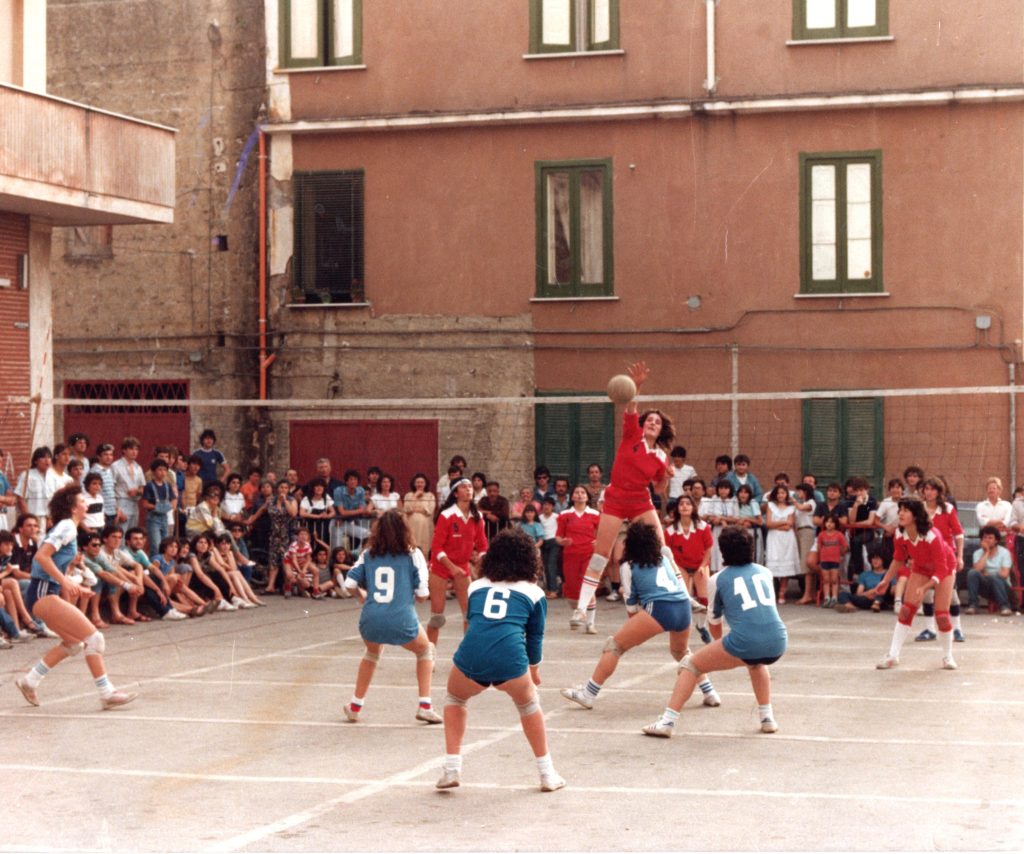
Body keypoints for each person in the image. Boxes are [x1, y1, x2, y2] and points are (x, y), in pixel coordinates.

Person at [436, 528, 564, 792]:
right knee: (529, 706)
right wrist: (534, 671)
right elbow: (534, 637)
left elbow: (473, 623)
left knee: (455, 699)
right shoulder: (534, 592)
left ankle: (451, 768)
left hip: (472, 654)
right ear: (530, 559)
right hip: (510, 658)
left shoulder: (476, 587)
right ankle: (547, 773)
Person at [643, 525, 787, 738]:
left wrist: (719, 645)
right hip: (778, 640)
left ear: (723, 551)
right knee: (756, 663)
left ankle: (667, 722)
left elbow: (714, 621)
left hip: (746, 641)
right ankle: (767, 718)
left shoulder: (718, 579)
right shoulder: (765, 572)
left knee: (690, 665)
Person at [561, 521, 720, 712]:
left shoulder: (628, 566)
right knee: (681, 652)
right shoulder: (665, 557)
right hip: (683, 606)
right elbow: (678, 585)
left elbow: (630, 604)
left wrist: (635, 627)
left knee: (614, 646)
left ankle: (588, 694)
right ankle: (709, 692)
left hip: (659, 607)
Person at [14, 486, 137, 709]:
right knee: (95, 639)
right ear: (73, 507)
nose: (87, 504)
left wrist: (74, 586)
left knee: (73, 644)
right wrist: (65, 581)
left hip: (45, 592)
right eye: (82, 501)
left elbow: (52, 562)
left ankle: (29, 681)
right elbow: (42, 557)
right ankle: (106, 692)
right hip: (42, 592)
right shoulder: (67, 526)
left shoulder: (68, 527)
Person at [571, 361, 673, 628]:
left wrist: (666, 477)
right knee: (600, 555)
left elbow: (659, 489)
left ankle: (680, 594)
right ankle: (581, 609)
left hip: (640, 499)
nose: (652, 422)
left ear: (661, 430)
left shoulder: (662, 456)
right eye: (649, 420)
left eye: (657, 422)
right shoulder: (632, 435)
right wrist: (635, 386)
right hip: (616, 498)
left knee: (662, 548)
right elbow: (630, 407)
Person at [341, 510, 442, 724]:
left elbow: (349, 584)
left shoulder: (368, 554)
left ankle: (355, 705)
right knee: (425, 650)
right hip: (401, 618)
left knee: (371, 654)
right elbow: (423, 595)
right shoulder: (413, 554)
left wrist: (362, 598)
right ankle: (425, 705)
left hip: (370, 619)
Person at [871, 499, 958, 670]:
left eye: (906, 510)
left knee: (941, 615)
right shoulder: (898, 533)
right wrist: (886, 580)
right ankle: (893, 656)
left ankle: (948, 656)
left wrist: (925, 588)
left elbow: (941, 569)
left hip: (945, 568)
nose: (900, 514)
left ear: (916, 515)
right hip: (920, 567)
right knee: (905, 611)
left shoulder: (933, 536)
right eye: (900, 510)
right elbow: (898, 559)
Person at [426, 479, 488, 647]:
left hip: (462, 567)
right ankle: (428, 654)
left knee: (470, 614)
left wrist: (481, 560)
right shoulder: (446, 515)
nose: (468, 489)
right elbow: (437, 549)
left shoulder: (477, 517)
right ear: (455, 493)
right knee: (437, 617)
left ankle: (468, 654)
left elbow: (483, 545)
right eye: (463, 487)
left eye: (470, 487)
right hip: (440, 567)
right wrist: (451, 567)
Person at [663, 495, 713, 644]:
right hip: (680, 565)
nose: (684, 506)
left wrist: (703, 566)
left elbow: (709, 548)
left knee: (704, 599)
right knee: (683, 598)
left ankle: (701, 626)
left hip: (700, 564)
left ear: (693, 507)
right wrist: (674, 570)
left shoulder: (703, 526)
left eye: (688, 504)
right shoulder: (670, 530)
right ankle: (682, 628)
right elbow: (666, 553)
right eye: (681, 504)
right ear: (677, 508)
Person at [555, 486, 601, 634]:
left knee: (589, 585)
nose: (580, 495)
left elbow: (602, 533)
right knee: (573, 588)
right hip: (570, 554)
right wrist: (562, 542)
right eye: (577, 493)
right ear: (572, 497)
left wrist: (598, 542)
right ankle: (579, 611)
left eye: (582, 493)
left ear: (587, 497)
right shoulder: (564, 515)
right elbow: (558, 536)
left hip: (589, 554)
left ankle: (590, 623)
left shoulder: (595, 514)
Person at [967, 526, 1014, 615]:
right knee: (972, 573)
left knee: (995, 578)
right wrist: (986, 552)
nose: (987, 540)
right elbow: (976, 570)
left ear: (996, 540)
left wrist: (987, 573)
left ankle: (1005, 607)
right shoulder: (977, 553)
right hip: (986, 587)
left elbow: (1004, 574)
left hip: (1002, 587)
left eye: (990, 538)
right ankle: (973, 605)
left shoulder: (1004, 553)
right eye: (985, 537)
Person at [764, 484, 799, 603]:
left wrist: (777, 524)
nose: (780, 495)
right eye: (778, 493)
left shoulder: (791, 508)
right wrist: (783, 523)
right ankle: (771, 593)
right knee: (772, 566)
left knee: (786, 568)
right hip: (773, 538)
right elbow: (768, 523)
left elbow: (790, 525)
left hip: (787, 539)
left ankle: (782, 593)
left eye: (783, 493)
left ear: (787, 495)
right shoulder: (770, 506)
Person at [15, 447, 58, 532]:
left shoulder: (53, 477)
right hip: (32, 517)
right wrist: (29, 518)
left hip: (48, 519)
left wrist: (50, 518)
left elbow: (54, 500)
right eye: (43, 457)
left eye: (49, 457)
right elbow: (20, 498)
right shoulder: (27, 475)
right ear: (35, 461)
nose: (47, 460)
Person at [141, 459, 176, 557]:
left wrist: (170, 507)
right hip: (153, 519)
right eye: (159, 470)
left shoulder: (168, 485)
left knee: (166, 545)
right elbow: (144, 503)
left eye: (165, 470)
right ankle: (154, 568)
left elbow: (173, 499)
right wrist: (156, 506)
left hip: (165, 518)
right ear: (153, 471)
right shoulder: (149, 486)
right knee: (156, 546)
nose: (162, 472)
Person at [110, 437, 146, 532]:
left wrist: (138, 491)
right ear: (124, 450)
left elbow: (142, 487)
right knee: (120, 534)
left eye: (136, 449)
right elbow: (110, 489)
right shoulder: (115, 466)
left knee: (132, 535)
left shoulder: (138, 467)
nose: (134, 452)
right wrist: (117, 510)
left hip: (134, 504)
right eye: (131, 449)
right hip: (120, 502)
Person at [815, 514, 848, 608]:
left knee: (834, 580)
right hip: (824, 559)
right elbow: (819, 547)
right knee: (826, 580)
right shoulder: (821, 535)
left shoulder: (839, 535)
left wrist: (841, 554)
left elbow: (845, 546)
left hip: (835, 560)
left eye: (832, 522)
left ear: (835, 524)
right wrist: (819, 557)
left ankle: (834, 597)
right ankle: (826, 597)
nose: (829, 524)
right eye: (827, 522)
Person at [402, 473, 436, 557]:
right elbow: (407, 509)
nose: (419, 484)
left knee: (425, 550)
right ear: (414, 483)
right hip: (411, 526)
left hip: (425, 528)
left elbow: (429, 510)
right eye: (417, 482)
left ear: (425, 484)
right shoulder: (408, 495)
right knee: (411, 548)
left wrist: (415, 509)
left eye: (422, 482)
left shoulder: (430, 495)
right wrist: (415, 496)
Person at [538, 496, 561, 598]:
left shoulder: (557, 517)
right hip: (544, 542)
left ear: (553, 507)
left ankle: (554, 590)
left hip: (554, 541)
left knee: (551, 565)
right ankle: (549, 588)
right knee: (546, 566)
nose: (546, 507)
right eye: (544, 505)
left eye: (549, 505)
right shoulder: (540, 518)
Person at [300, 477, 335, 545]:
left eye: (321, 486)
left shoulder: (326, 497)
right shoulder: (306, 499)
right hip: (309, 528)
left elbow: (333, 512)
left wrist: (327, 516)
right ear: (313, 488)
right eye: (317, 486)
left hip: (324, 529)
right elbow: (302, 513)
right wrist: (317, 516)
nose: (319, 488)